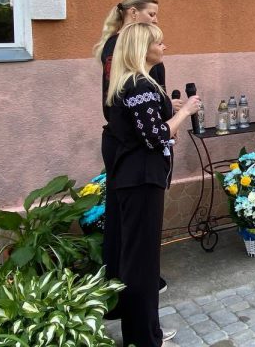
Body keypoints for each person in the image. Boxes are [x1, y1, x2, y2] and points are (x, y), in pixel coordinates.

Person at [106, 22, 200, 347]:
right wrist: (185, 113)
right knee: (142, 264)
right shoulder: (140, 85)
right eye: (158, 43)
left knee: (136, 260)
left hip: (133, 177)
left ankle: (143, 333)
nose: (164, 47)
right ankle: (146, 339)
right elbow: (155, 136)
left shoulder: (130, 83)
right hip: (142, 180)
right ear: (142, 48)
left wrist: (167, 113)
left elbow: (143, 128)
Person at [92, 0, 170, 312]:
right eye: (151, 14)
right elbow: (146, 126)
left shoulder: (126, 51)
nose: (155, 20)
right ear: (133, 13)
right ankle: (129, 292)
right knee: (131, 229)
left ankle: (127, 291)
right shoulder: (124, 51)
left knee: (129, 225)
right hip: (134, 150)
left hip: (132, 142)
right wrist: (173, 115)